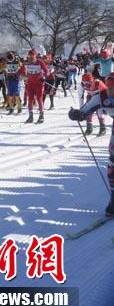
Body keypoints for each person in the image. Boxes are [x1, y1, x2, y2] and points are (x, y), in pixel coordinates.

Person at [68, 75, 114, 216]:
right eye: (110, 88)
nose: (112, 91)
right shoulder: (102, 96)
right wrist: (76, 114)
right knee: (112, 163)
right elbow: (85, 110)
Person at [19, 50, 48, 124]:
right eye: (29, 56)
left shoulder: (39, 62)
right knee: (30, 99)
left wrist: (43, 77)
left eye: (32, 55)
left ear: (35, 56)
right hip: (30, 84)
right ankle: (30, 116)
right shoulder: (26, 63)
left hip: (39, 83)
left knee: (39, 98)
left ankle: (41, 116)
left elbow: (46, 71)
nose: (31, 57)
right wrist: (17, 75)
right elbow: (20, 71)